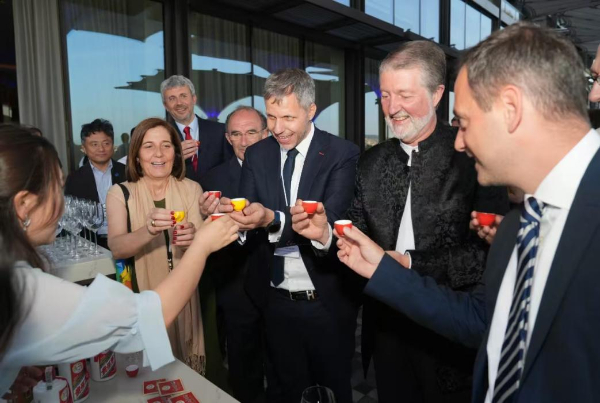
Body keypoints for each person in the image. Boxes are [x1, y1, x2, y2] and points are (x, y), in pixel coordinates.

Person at [336, 22, 600, 402]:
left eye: (463, 122)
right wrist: (383, 267)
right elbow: (480, 323)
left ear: (510, 109)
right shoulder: (517, 226)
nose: (458, 141)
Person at [295, 40, 507, 403]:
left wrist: (407, 264)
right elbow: (357, 235)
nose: (392, 108)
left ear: (437, 94)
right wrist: (327, 235)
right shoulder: (370, 162)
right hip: (387, 331)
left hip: (451, 336)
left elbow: (484, 257)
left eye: (404, 95)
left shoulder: (474, 157)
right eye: (385, 96)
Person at [0, 126, 238, 396]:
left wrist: (7, 370)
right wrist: (203, 245)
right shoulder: (22, 288)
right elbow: (141, 322)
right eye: (57, 190)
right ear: (24, 205)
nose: (64, 205)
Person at [219, 68, 361, 403]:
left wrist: (272, 219)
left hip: (325, 299)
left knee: (332, 390)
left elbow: (331, 222)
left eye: (287, 117)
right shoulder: (257, 154)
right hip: (274, 300)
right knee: (283, 388)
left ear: (311, 111)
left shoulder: (342, 153)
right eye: (271, 117)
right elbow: (249, 218)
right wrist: (238, 221)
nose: (277, 128)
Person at [106, 117, 206, 375]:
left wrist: (194, 238)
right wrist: (148, 230)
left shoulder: (192, 189)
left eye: (166, 145)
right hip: (140, 296)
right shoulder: (120, 193)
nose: (158, 154)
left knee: (185, 378)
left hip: (184, 297)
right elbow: (117, 247)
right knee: (148, 377)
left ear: (176, 152)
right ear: (136, 155)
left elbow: (202, 247)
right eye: (148, 146)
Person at [200, 106, 269, 402]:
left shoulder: (285, 170)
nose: (244, 141)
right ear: (227, 139)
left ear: (265, 134)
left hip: (279, 286)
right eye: (236, 134)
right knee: (243, 367)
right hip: (236, 286)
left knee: (286, 364)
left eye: (251, 132)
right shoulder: (211, 180)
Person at [65, 118, 126, 248]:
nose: (101, 149)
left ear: (113, 145)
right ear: (83, 148)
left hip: (125, 238)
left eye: (106, 143)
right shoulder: (74, 179)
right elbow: (71, 218)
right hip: (90, 244)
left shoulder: (127, 172)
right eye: (94, 144)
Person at [161, 75, 233, 183]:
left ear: (194, 99)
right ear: (165, 105)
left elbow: (231, 170)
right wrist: (174, 158)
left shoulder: (220, 131)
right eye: (172, 98)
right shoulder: (160, 136)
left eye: (183, 96)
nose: (179, 103)